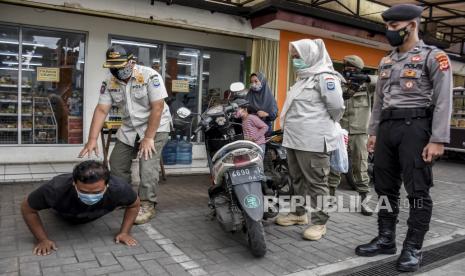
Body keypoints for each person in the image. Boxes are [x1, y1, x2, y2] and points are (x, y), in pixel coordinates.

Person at [355, 4, 452, 272]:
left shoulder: (434, 56)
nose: (389, 31)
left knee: (417, 190)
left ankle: (413, 247)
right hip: (387, 128)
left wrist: (438, 138)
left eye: (394, 27)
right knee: (384, 187)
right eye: (387, 26)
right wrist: (373, 132)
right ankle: (386, 239)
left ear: (412, 25)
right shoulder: (386, 60)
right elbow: (378, 101)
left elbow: (444, 99)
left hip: (416, 127)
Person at [79, 45, 172, 224]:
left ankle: (147, 204)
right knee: (117, 164)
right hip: (130, 128)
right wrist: (91, 140)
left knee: (147, 164)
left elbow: (158, 107)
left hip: (156, 127)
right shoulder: (110, 82)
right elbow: (101, 109)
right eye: (113, 66)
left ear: (131, 61)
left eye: (121, 65)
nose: (117, 70)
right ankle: (125, 198)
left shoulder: (149, 76)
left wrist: (148, 138)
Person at [275, 39, 345, 241]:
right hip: (294, 139)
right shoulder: (302, 79)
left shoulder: (325, 78)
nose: (295, 61)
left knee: (316, 182)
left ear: (311, 56)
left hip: (313, 141)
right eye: (294, 57)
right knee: (297, 180)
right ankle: (299, 214)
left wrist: (320, 126)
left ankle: (320, 223)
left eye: (298, 57)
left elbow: (337, 108)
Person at [21, 161, 140, 256]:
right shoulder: (55, 189)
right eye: (84, 191)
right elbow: (27, 208)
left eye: (97, 192)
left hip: (95, 213)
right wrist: (42, 240)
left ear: (107, 185)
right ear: (74, 183)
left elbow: (134, 204)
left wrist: (124, 232)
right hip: (64, 213)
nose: (90, 196)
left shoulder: (119, 188)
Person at [328, 55, 377, 216]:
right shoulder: (337, 83)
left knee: (360, 166)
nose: (349, 71)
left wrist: (366, 78)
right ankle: (330, 199)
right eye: (346, 68)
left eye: (353, 69)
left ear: (359, 71)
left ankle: (365, 202)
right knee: (335, 164)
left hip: (359, 132)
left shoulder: (366, 86)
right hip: (339, 130)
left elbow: (383, 81)